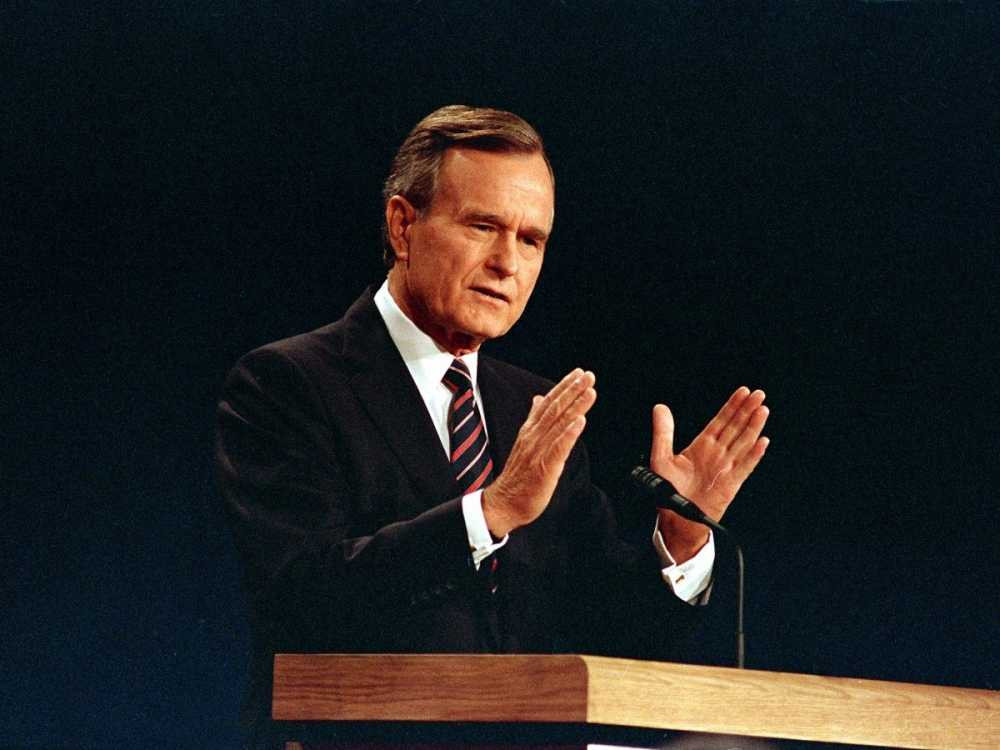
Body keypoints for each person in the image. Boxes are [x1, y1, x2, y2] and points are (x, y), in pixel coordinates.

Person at [215, 105, 769, 740]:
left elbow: (613, 635)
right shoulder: (289, 383)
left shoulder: (533, 408)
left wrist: (681, 537)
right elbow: (305, 599)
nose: (508, 263)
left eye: (531, 240)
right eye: (484, 227)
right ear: (403, 226)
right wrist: (491, 511)